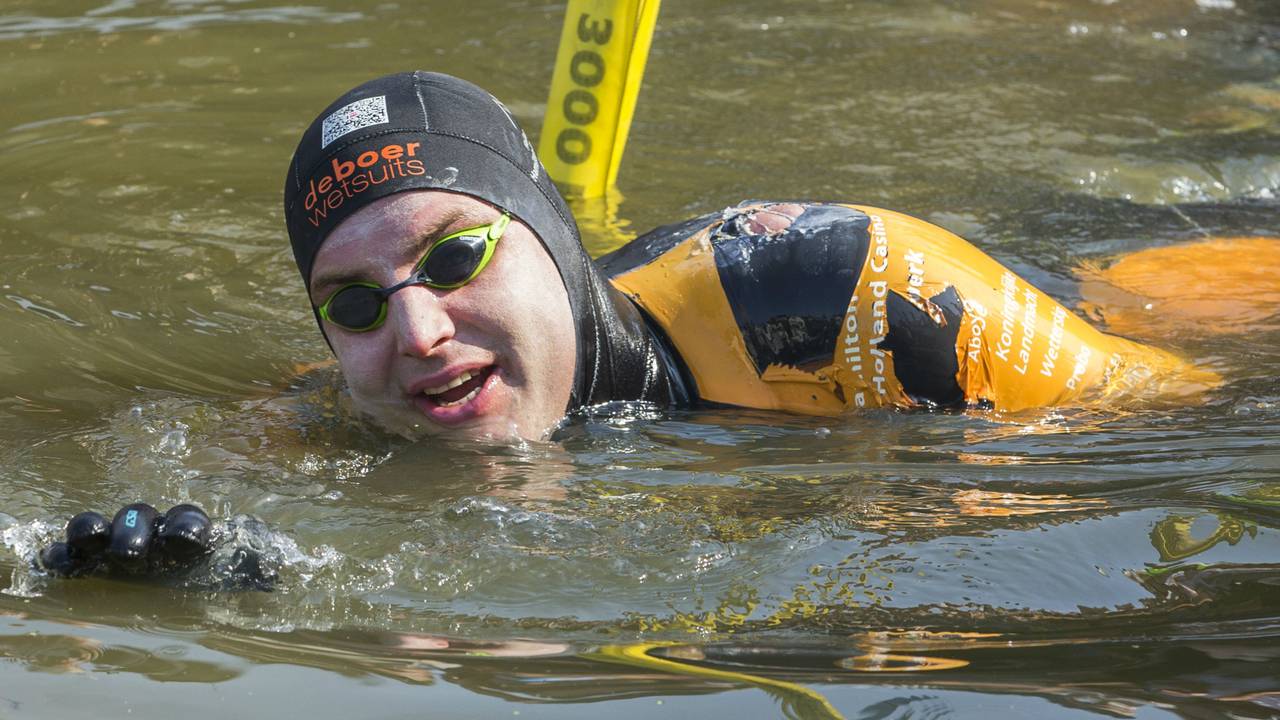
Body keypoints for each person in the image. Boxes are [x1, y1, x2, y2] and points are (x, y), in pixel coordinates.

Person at [282, 71, 1220, 443]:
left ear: (552, 241)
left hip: (1153, 284)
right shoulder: (378, 388)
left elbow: (1189, 414)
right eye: (355, 304)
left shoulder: (855, 294)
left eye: (454, 259)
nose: (417, 331)